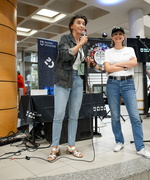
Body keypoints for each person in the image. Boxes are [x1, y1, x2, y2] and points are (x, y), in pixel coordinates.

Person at [103, 26, 150, 160]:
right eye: (115, 34)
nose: (118, 36)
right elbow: (107, 68)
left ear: (124, 37)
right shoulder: (108, 51)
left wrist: (117, 65)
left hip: (128, 84)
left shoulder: (130, 49)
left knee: (135, 117)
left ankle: (140, 147)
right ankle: (119, 141)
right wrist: (125, 64)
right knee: (115, 116)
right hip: (112, 84)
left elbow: (135, 63)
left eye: (120, 34)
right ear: (112, 37)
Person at [47, 14, 88, 162]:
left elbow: (81, 64)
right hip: (63, 79)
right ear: (72, 26)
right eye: (79, 23)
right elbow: (65, 55)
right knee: (59, 114)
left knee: (74, 115)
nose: (82, 25)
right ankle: (55, 147)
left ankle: (71, 145)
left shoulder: (85, 43)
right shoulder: (65, 39)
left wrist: (86, 62)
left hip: (78, 79)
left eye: (83, 23)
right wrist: (80, 44)